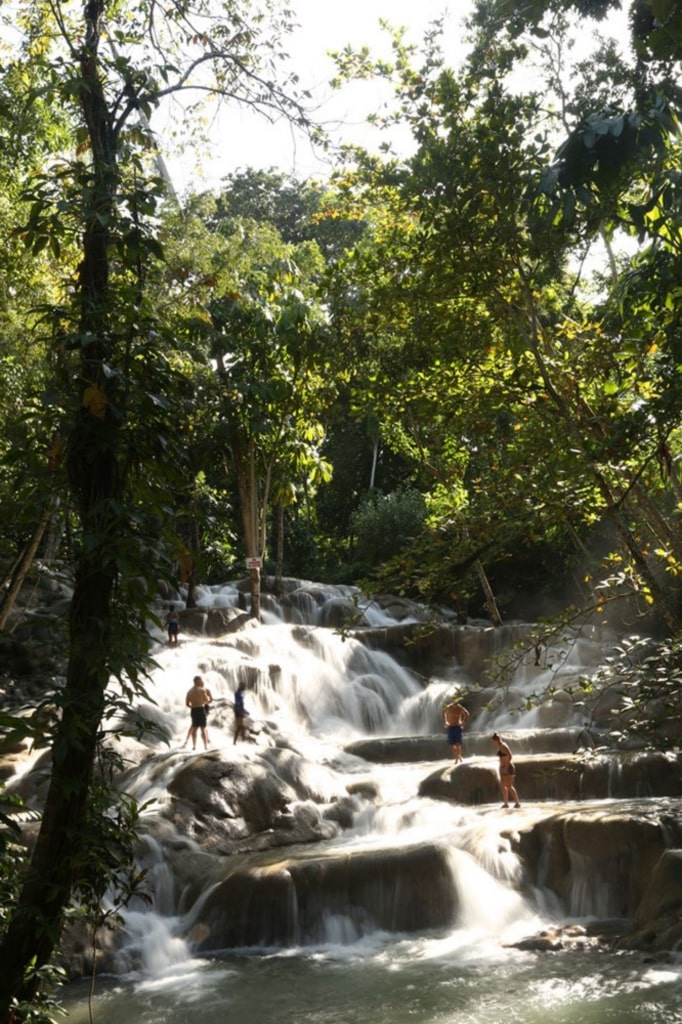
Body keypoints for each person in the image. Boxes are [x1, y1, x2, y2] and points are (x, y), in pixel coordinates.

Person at [492, 732, 521, 808]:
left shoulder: (504, 746)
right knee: (503, 786)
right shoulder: (499, 747)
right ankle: (506, 803)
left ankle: (517, 802)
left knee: (509, 786)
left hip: (508, 768)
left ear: (497, 740)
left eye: (494, 741)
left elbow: (510, 755)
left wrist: (506, 766)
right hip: (502, 768)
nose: (493, 743)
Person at [185, 674, 212, 750]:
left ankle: (194, 746)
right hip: (201, 709)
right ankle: (205, 746)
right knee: (203, 729)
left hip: (193, 710)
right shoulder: (202, 690)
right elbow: (206, 701)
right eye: (200, 681)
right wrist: (203, 702)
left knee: (194, 728)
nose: (201, 682)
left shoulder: (189, 692)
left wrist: (193, 706)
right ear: (197, 681)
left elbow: (187, 704)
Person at [443, 694, 470, 763]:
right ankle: (459, 756)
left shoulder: (460, 708)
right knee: (451, 744)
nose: (455, 702)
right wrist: (446, 721)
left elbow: (467, 714)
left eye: (456, 701)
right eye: (454, 701)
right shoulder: (449, 707)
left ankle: (456, 759)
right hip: (450, 726)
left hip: (457, 726)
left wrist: (463, 722)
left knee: (458, 743)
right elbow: (444, 713)